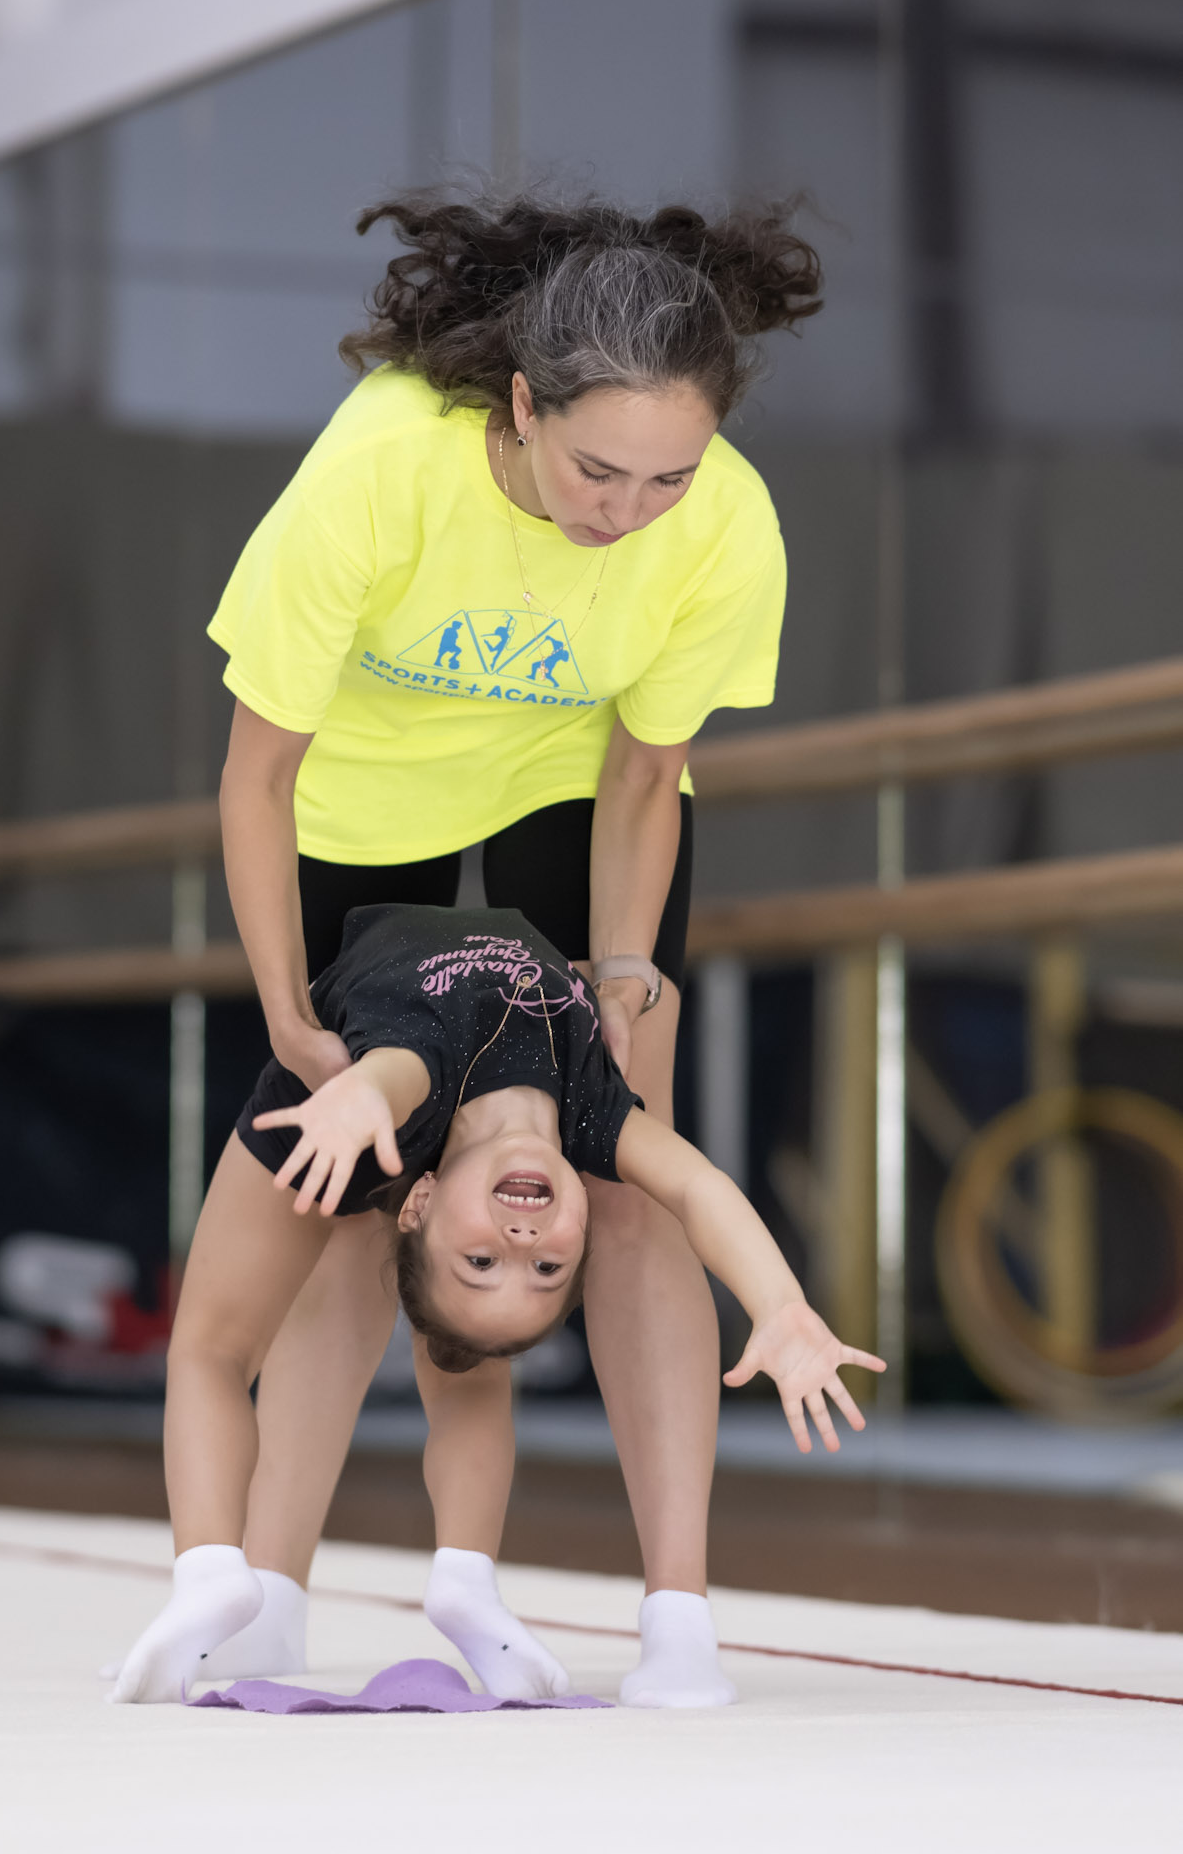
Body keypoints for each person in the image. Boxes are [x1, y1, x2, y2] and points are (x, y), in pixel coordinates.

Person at [200, 189, 823, 1706]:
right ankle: (267, 1593)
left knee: (629, 1171)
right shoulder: (381, 467)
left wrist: (622, 984)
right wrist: (288, 1011)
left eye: (666, 477)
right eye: (597, 469)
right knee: (357, 1185)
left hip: (569, 786)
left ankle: (676, 1608)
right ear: (522, 404)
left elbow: (638, 773)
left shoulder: (723, 525)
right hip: (364, 795)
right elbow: (257, 773)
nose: (626, 511)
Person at [109, 904, 883, 1706]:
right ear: (583, 1223)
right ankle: (466, 1575)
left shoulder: (419, 1095)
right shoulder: (592, 1113)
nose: (520, 1240)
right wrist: (779, 1303)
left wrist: (362, 1094)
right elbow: (695, 1187)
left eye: (481, 1260)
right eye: (548, 1266)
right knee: (470, 1356)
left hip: (331, 1107)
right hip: (370, 1105)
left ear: (419, 1201)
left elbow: (404, 1067)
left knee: (208, 1349)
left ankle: (207, 1570)